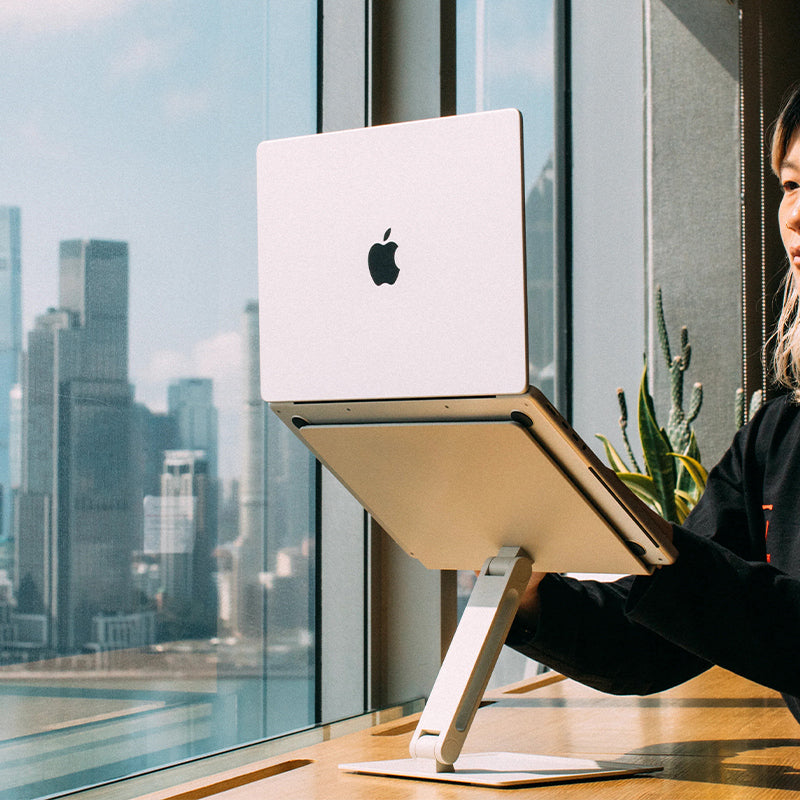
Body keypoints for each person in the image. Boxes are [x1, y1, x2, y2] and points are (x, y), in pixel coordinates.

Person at [506, 83, 800, 724]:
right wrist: (527, 594)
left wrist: (653, 542)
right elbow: (652, 643)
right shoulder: (777, 431)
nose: (794, 215)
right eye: (791, 186)